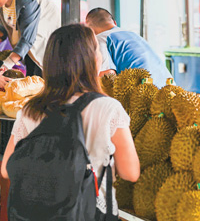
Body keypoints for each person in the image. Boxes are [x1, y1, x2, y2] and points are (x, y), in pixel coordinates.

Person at [1, 24, 140, 217]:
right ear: (92, 60)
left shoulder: (30, 110)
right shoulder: (108, 108)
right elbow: (130, 172)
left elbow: (6, 168)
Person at [85, 7, 173, 88]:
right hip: (168, 89)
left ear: (90, 30)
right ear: (114, 23)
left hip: (145, 95)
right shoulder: (134, 35)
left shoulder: (101, 39)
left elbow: (107, 76)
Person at [0, 0, 61, 77]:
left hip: (43, 44)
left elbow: (28, 39)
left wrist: (5, 65)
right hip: (27, 49)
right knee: (31, 76)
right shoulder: (4, 5)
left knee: (40, 77)